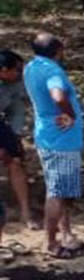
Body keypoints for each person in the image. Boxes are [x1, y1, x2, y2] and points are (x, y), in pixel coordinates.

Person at [22, 34, 84, 257]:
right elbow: (58, 96)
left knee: (62, 188)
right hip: (61, 140)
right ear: (58, 49)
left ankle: (66, 234)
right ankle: (50, 243)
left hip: (46, 134)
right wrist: (69, 113)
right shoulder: (53, 71)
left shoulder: (31, 67)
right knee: (57, 191)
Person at [0, 50, 37, 233]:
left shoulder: (15, 84)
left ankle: (25, 213)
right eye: (16, 70)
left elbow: (16, 111)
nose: (19, 73)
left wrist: (14, 138)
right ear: (4, 70)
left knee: (15, 162)